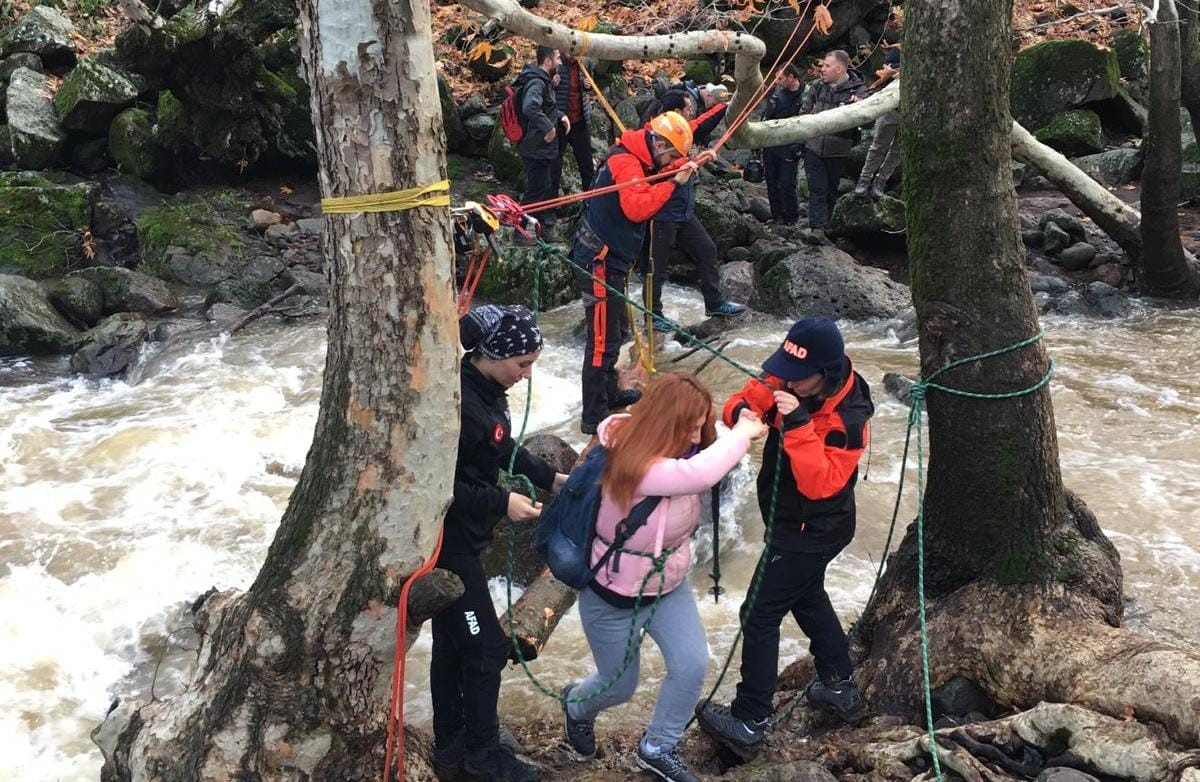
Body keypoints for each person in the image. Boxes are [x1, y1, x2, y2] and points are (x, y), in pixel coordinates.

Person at [561, 372, 769, 782]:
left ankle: (658, 747)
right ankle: (575, 707)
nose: (697, 433)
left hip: (667, 586)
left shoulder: (685, 450)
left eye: (701, 423)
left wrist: (746, 415)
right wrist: (742, 435)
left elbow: (708, 457)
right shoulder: (631, 459)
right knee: (618, 686)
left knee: (691, 665)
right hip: (612, 595)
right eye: (689, 425)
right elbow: (700, 476)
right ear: (663, 423)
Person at [695, 317, 875, 761]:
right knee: (807, 595)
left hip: (814, 528)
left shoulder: (849, 417)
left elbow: (821, 484)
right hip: (789, 519)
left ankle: (750, 718)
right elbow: (742, 399)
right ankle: (840, 685)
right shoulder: (791, 375)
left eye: (798, 378)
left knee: (757, 614)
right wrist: (743, 418)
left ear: (826, 374)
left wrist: (794, 422)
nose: (786, 381)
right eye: (784, 372)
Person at [431, 304, 569, 782]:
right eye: (522, 364)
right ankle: (482, 758)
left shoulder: (489, 392)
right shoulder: (460, 405)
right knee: (487, 649)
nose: (526, 376)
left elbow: (503, 445)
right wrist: (501, 502)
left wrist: (552, 478)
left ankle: (450, 745)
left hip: (466, 538)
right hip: (449, 544)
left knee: (451, 645)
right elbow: (438, 484)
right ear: (490, 355)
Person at [570, 111, 701, 435]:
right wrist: (675, 182)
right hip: (599, 260)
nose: (670, 160)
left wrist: (680, 167)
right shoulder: (626, 163)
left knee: (615, 334)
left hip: (611, 258)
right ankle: (594, 416)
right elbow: (637, 207)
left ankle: (610, 391)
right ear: (658, 144)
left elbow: (659, 172)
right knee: (601, 340)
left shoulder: (643, 156)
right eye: (671, 154)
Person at [641, 93, 747, 330]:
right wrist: (694, 162)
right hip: (661, 214)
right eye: (688, 109)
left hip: (684, 212)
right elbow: (663, 171)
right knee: (656, 267)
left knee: (707, 250)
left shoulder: (681, 132)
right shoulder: (657, 139)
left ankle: (714, 303)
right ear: (676, 112)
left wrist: (729, 106)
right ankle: (652, 315)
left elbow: (703, 122)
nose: (692, 112)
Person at [798, 51, 868, 234]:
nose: (823, 69)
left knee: (830, 190)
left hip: (838, 150)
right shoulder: (817, 86)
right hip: (813, 147)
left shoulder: (859, 91)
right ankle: (817, 228)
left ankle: (827, 228)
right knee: (817, 188)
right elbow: (803, 113)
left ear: (839, 69)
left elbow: (869, 123)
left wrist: (859, 108)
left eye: (827, 66)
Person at [514, 46, 569, 240]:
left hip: (542, 147)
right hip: (536, 147)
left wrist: (560, 116)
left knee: (544, 187)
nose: (560, 63)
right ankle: (519, 231)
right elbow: (530, 107)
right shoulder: (537, 82)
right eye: (557, 58)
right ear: (547, 61)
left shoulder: (544, 82)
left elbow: (547, 107)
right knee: (535, 191)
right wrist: (549, 127)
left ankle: (543, 229)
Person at [854, 46, 902, 200]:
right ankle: (864, 179)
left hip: (908, 114)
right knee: (878, 147)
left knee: (898, 152)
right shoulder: (886, 76)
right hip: (889, 111)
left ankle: (881, 181)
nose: (887, 69)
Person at [761, 64, 806, 224]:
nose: (777, 82)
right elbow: (766, 116)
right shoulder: (776, 92)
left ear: (791, 77)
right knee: (771, 181)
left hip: (791, 144)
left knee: (787, 182)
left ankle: (791, 216)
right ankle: (777, 216)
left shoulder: (805, 94)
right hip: (771, 141)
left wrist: (800, 144)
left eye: (780, 78)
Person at [554, 51, 595, 192]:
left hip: (580, 121)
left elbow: (590, 87)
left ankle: (590, 203)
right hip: (561, 122)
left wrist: (587, 85)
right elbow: (545, 90)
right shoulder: (556, 62)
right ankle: (551, 205)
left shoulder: (585, 62)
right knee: (555, 165)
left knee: (587, 165)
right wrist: (552, 83)